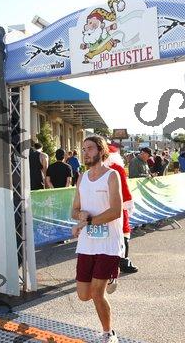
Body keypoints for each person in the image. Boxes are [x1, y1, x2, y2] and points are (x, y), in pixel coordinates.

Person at [71, 136, 123, 343]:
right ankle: (112, 274)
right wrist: (80, 215)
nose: (85, 152)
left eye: (90, 148)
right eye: (83, 149)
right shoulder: (81, 178)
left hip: (108, 243)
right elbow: (74, 210)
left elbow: (116, 211)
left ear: (101, 151)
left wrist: (88, 221)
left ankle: (108, 332)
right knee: (84, 295)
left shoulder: (112, 175)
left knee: (97, 292)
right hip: (87, 244)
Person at [105, 144, 138, 274]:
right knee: (123, 232)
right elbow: (123, 188)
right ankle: (123, 262)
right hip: (118, 206)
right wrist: (128, 203)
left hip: (101, 208)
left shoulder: (94, 169)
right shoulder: (117, 168)